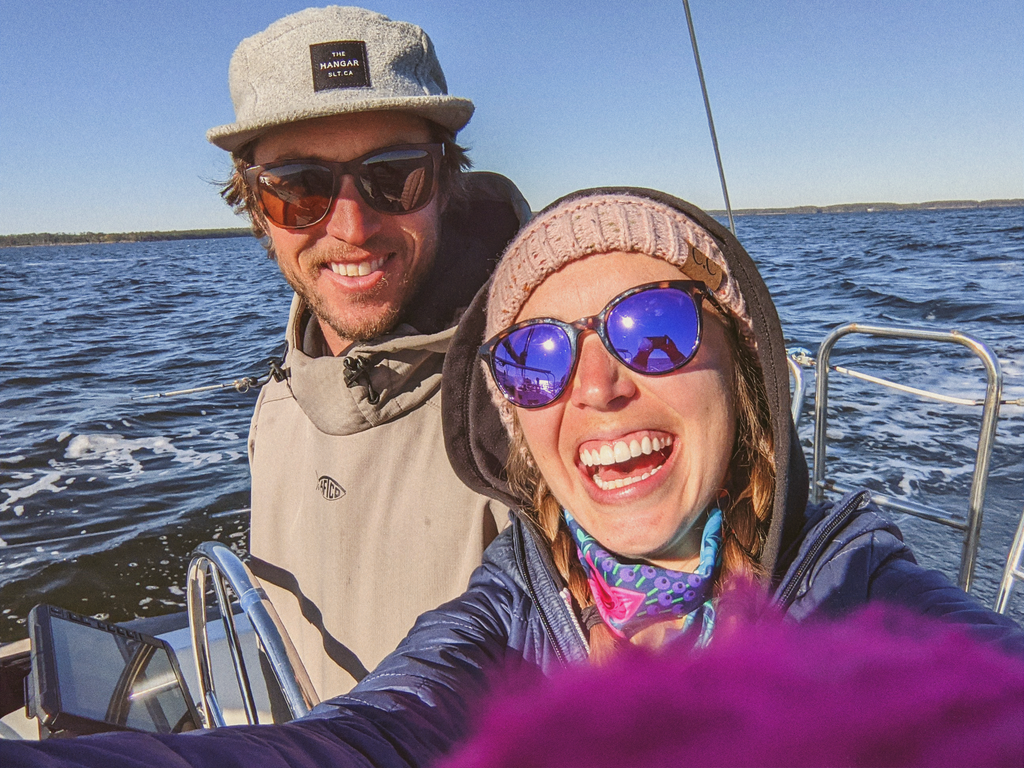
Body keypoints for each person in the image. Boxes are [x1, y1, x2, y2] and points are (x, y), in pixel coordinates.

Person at [4, 189, 1020, 767]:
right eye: (535, 357)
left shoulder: (851, 586)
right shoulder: (511, 604)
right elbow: (371, 738)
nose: (598, 386)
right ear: (518, 424)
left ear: (745, 375)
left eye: (651, 327)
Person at [207, 6, 530, 698]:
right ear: (255, 202)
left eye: (394, 176)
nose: (352, 227)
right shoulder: (277, 406)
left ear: (444, 181)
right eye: (299, 188)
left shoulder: (539, 400)